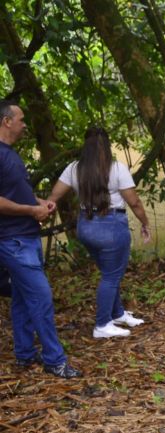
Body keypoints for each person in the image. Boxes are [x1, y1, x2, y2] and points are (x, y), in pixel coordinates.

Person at [0, 100, 81, 378]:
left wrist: (40, 203)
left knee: (22, 298)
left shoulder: (11, 154)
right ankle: (54, 359)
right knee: (41, 297)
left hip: (26, 237)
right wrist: (30, 210)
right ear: (6, 121)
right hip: (13, 240)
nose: (25, 125)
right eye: (21, 119)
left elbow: (16, 192)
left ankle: (24, 354)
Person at [48, 127, 151, 339]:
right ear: (107, 145)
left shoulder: (74, 168)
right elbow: (134, 202)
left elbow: (54, 196)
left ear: (85, 146)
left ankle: (118, 313)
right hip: (111, 228)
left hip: (85, 228)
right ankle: (102, 324)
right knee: (111, 276)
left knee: (108, 273)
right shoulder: (117, 169)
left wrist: (44, 209)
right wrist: (145, 222)